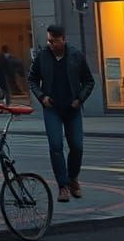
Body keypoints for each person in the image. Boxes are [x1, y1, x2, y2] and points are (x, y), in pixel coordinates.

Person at [28, 24, 95, 203]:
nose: (51, 44)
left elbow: (89, 81)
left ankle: (73, 179)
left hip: (72, 109)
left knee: (77, 147)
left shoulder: (76, 55)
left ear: (63, 39)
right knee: (56, 146)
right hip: (52, 109)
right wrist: (41, 97)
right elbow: (32, 79)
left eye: (54, 41)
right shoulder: (42, 57)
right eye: (49, 40)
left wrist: (79, 99)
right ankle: (63, 186)